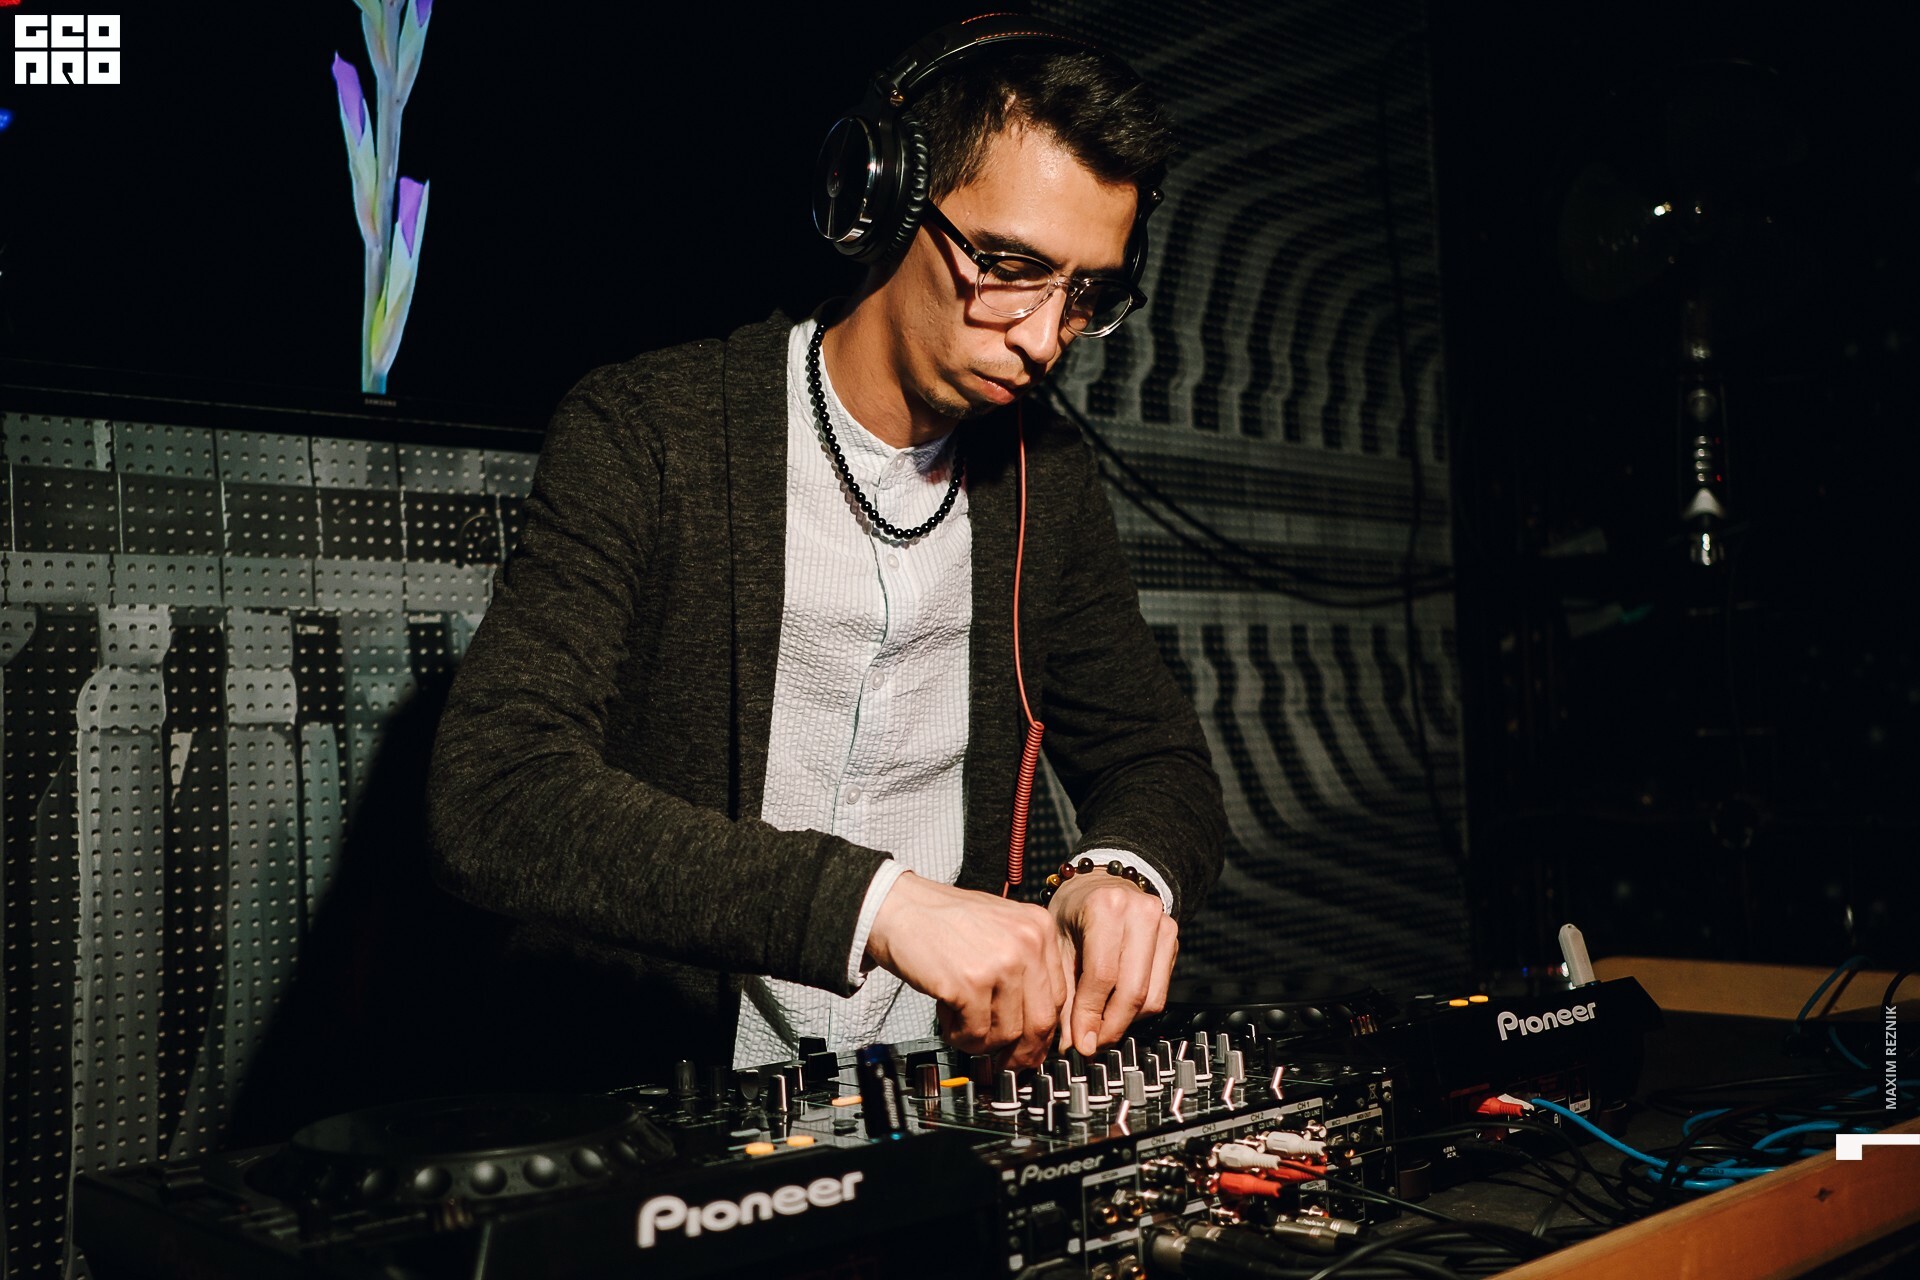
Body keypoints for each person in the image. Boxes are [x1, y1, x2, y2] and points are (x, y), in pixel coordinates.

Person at [426, 16, 1225, 1087]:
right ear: (880, 204)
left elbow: (1157, 760)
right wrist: (877, 905)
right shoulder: (650, 429)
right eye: (1009, 267)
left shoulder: (1050, 478)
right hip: (665, 1100)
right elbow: (496, 794)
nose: (1044, 337)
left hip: (934, 1097)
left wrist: (1119, 874)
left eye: (1086, 295)